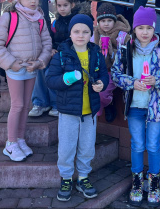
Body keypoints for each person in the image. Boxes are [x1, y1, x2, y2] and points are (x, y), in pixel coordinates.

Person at [111, 6, 160, 207]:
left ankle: (154, 184)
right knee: (138, 145)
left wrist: (156, 80)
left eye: (149, 28)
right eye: (141, 28)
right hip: (134, 106)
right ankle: (137, 183)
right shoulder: (126, 49)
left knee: (153, 145)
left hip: (155, 107)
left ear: (154, 28)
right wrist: (132, 83)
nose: (145, 32)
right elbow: (116, 74)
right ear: (134, 29)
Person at [45, 15, 109, 201]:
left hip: (90, 112)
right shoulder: (62, 55)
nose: (81, 35)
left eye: (85, 32)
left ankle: (83, 177)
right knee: (66, 147)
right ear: (70, 33)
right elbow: (50, 80)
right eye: (76, 31)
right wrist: (66, 79)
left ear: (91, 33)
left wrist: (101, 84)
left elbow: (104, 75)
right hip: (68, 111)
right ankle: (66, 178)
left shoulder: (96, 53)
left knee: (87, 147)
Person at [0, 0, 53, 161]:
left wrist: (40, 61)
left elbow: (47, 43)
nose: (33, 1)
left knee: (26, 105)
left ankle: (20, 139)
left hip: (32, 69)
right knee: (17, 105)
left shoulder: (39, 18)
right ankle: (10, 144)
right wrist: (11, 63)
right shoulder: (9, 17)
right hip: (15, 69)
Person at [29, 0, 90, 117]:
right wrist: (51, 49)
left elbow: (75, 41)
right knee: (40, 67)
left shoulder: (77, 21)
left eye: (65, 5)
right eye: (59, 6)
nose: (62, 9)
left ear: (72, 5)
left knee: (50, 72)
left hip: (71, 55)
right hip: (57, 54)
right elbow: (50, 39)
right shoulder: (56, 22)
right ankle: (40, 103)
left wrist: (59, 51)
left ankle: (56, 104)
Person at [91, 2, 131, 123]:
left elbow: (126, 57)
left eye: (109, 20)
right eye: (103, 21)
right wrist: (98, 51)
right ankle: (96, 116)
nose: (106, 24)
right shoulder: (96, 33)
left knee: (102, 94)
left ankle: (107, 103)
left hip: (114, 71)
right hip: (98, 70)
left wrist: (111, 52)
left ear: (114, 20)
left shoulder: (122, 34)